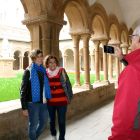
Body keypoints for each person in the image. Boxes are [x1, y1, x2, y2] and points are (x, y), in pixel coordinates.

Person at [108, 25, 140, 140]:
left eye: (132, 38)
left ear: (137, 39)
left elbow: (124, 114)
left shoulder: (132, 71)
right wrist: (122, 57)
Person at [20, 49, 52, 140]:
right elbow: (23, 90)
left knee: (43, 124)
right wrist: (24, 107)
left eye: (41, 56)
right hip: (32, 103)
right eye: (38, 56)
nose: (40, 58)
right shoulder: (29, 71)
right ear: (33, 58)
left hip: (43, 102)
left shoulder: (43, 70)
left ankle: (34, 138)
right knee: (33, 125)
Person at [44, 54, 73, 140]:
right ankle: (53, 135)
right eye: (50, 62)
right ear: (47, 64)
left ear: (56, 63)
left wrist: (69, 97)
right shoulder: (45, 73)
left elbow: (68, 84)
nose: (52, 64)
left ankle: (61, 138)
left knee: (61, 121)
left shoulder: (61, 71)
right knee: (51, 121)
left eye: (54, 62)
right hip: (50, 102)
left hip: (62, 102)